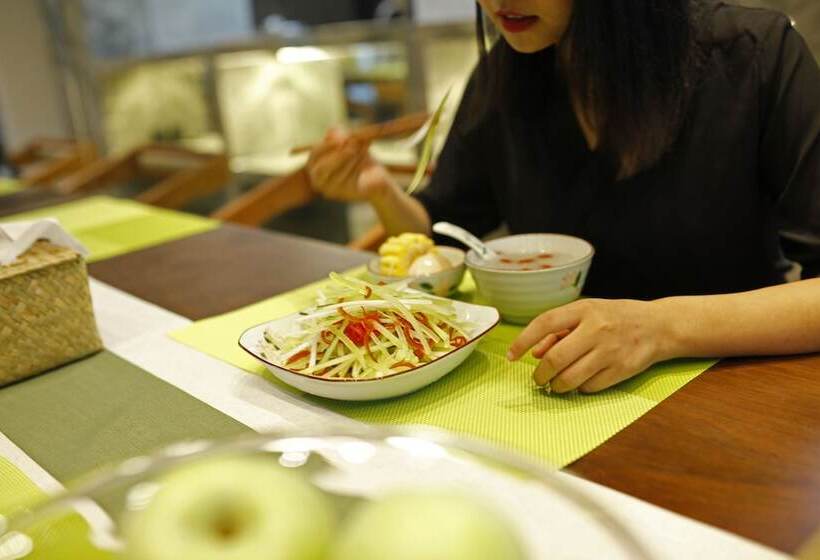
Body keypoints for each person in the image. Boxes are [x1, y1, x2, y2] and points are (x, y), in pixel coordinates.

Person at [305, 0, 820, 393]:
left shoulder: (753, 54)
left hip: (735, 389)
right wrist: (377, 190)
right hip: (551, 385)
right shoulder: (503, 75)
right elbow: (437, 231)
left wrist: (660, 328)